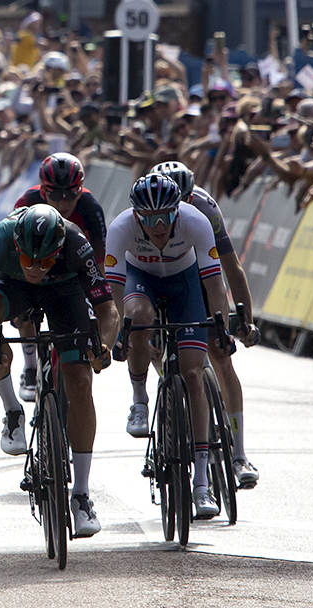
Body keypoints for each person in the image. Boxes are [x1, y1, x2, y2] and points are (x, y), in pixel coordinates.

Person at [0, 204, 117, 538]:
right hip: (14, 288)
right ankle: (13, 411)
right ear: (16, 246)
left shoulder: (75, 242)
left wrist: (103, 345)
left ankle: (82, 496)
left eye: (44, 261)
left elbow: (108, 310)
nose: (35, 267)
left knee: (79, 380)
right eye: (28, 259)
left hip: (66, 291)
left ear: (58, 250)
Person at [105, 173, 230, 520]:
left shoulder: (196, 222)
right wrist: (120, 333)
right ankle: (140, 401)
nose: (158, 226)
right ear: (136, 217)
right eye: (149, 219)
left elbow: (215, 284)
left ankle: (202, 483)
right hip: (140, 280)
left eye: (165, 217)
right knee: (138, 317)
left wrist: (221, 323)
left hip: (184, 284)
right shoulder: (119, 230)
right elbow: (113, 293)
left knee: (192, 372)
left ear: (178, 211)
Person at [150, 160, 260, 488]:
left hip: (198, 274)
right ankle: (173, 386)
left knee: (221, 354)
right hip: (159, 276)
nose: (178, 212)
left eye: (183, 202)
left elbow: (231, 269)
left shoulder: (204, 209)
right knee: (153, 341)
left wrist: (243, 322)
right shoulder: (147, 208)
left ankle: (238, 455)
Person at [13, 152, 107, 401]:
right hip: (33, 267)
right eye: (55, 195)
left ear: (81, 190)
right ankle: (31, 366)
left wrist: (99, 303)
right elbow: (13, 257)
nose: (63, 203)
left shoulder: (90, 208)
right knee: (25, 312)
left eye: (70, 194)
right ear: (43, 192)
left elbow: (100, 265)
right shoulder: (27, 201)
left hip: (74, 269)